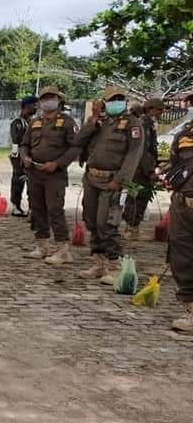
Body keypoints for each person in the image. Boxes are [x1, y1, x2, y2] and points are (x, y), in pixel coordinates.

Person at [75, 87, 144, 283]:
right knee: (91, 220)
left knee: (106, 223)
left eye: (119, 99)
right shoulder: (101, 122)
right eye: (112, 99)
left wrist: (120, 181)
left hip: (112, 181)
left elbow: (133, 156)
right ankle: (98, 263)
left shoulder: (132, 124)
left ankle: (114, 265)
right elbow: (78, 140)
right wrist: (94, 118)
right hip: (92, 178)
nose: (116, 102)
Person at [19, 86, 81, 264]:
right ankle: (42, 245)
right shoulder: (35, 122)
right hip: (35, 172)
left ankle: (62, 249)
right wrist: (25, 157)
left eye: (51, 98)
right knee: (37, 209)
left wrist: (57, 163)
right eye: (44, 98)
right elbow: (24, 144)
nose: (47, 101)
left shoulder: (68, 123)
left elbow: (75, 148)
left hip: (55, 174)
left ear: (59, 100)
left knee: (55, 209)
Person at [123, 97, 165, 238]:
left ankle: (132, 227)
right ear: (150, 109)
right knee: (137, 198)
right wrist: (150, 171)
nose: (161, 113)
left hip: (141, 168)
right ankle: (131, 228)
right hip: (140, 169)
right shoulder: (144, 124)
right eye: (159, 110)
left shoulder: (149, 124)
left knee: (138, 197)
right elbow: (142, 150)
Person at [165, 116, 193, 331]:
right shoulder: (184, 134)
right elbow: (174, 164)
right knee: (181, 253)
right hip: (184, 203)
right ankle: (191, 309)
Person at [9, 96, 37, 217]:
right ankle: (16, 206)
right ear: (26, 106)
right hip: (19, 155)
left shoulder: (31, 121)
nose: (36, 107)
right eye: (34, 105)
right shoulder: (17, 122)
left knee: (30, 182)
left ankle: (31, 207)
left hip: (30, 155)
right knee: (18, 181)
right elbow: (17, 140)